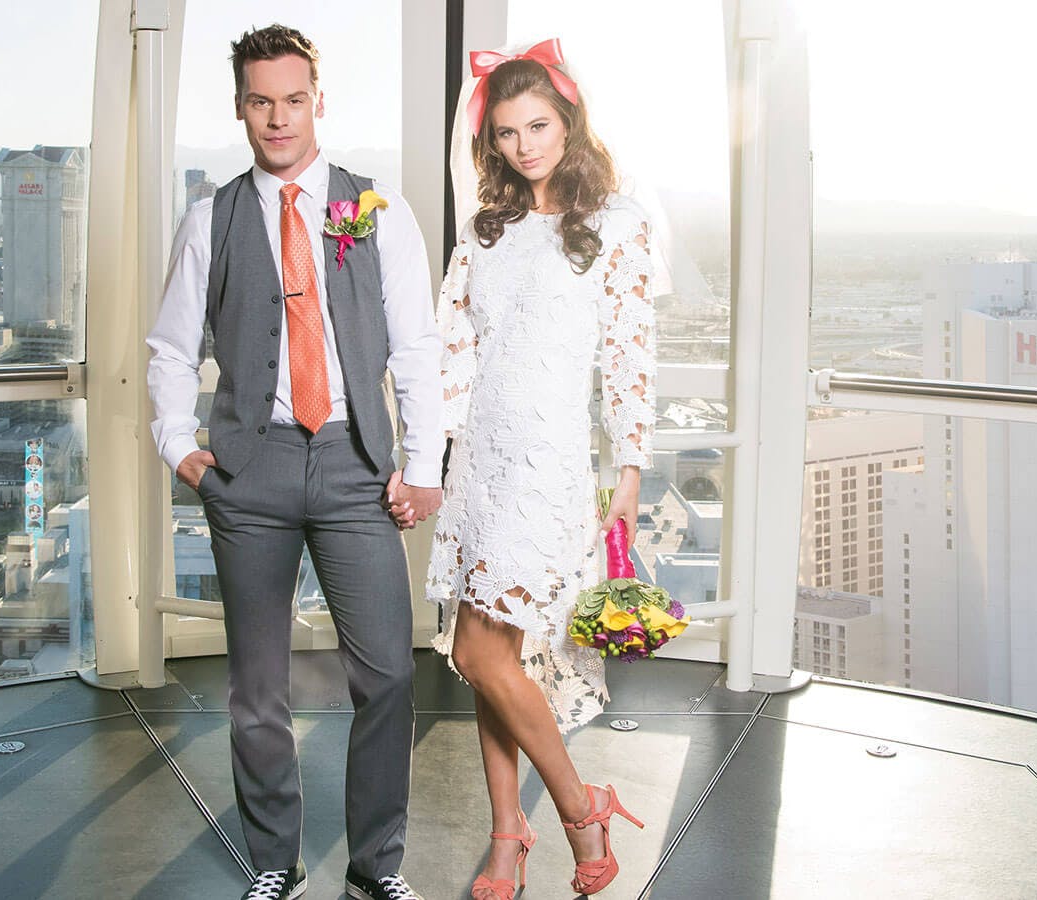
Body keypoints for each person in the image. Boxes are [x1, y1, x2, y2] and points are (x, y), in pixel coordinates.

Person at [146, 24, 442, 900]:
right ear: (241, 108)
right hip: (251, 470)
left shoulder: (377, 212)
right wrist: (180, 449)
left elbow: (416, 349)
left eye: (293, 100)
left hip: (356, 466)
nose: (278, 118)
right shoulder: (210, 218)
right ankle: (274, 862)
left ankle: (375, 869)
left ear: (319, 102)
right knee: (256, 688)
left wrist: (423, 464)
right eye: (260, 101)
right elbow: (171, 349)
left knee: (389, 673)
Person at [421, 39, 657, 899]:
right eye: (508, 132)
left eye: (539, 126)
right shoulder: (487, 232)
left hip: (548, 468)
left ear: (570, 124)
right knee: (490, 658)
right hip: (479, 466)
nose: (524, 146)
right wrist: (428, 459)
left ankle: (579, 807)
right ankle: (507, 834)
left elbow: (629, 352)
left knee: (483, 654)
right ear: (490, 141)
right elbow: (452, 353)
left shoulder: (618, 225)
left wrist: (631, 462)